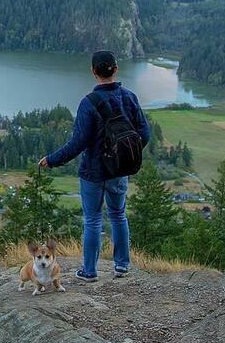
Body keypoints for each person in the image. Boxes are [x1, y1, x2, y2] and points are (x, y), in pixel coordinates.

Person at [39, 51, 151, 282]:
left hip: (93, 171)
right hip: (119, 170)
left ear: (93, 72)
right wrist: (125, 156)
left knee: (92, 219)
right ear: (115, 69)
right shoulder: (129, 97)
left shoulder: (88, 103)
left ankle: (89, 271)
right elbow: (144, 134)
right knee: (119, 215)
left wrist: (52, 159)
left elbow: (78, 142)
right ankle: (122, 266)